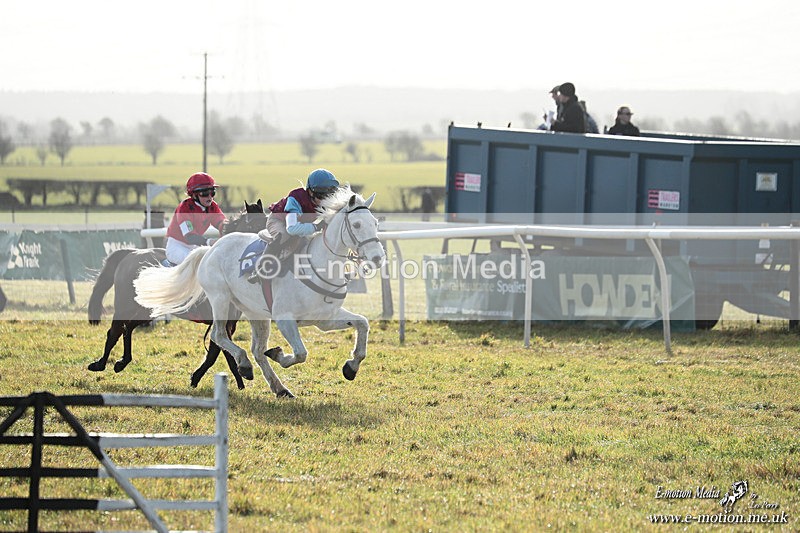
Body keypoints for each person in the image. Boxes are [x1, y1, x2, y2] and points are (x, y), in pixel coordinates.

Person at [248, 168, 340, 282]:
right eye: (321, 196)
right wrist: (315, 227)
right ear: (310, 192)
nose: (324, 201)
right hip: (278, 220)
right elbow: (292, 229)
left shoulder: (324, 201)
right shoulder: (296, 199)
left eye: (329, 196)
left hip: (300, 223)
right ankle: (260, 268)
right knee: (283, 236)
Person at [165, 172, 227, 265]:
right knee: (195, 264)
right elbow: (190, 237)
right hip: (177, 246)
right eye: (205, 193)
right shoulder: (184, 208)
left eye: (212, 192)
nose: (210, 197)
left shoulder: (212, 206)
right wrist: (210, 241)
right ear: (194, 195)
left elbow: (222, 224)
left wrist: (232, 228)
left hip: (195, 246)